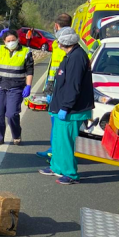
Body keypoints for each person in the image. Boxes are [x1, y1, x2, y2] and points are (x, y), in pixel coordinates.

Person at [39, 28, 94, 185]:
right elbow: (61, 80)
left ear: (65, 41)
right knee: (57, 140)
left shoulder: (77, 57)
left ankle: (70, 174)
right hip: (60, 106)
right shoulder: (69, 56)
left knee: (65, 142)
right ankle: (56, 166)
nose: (57, 43)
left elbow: (73, 86)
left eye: (59, 40)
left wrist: (66, 107)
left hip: (71, 110)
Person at [0, 29, 34, 145]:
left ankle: (16, 134)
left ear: (18, 39)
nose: (11, 42)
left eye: (13, 40)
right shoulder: (0, 49)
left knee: (12, 114)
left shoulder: (26, 52)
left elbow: (30, 70)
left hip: (16, 87)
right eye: (8, 40)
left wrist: (28, 85)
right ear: (4, 42)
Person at [37, 13, 73, 160]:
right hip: (55, 88)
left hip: (61, 89)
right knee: (56, 122)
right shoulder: (64, 42)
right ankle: (54, 149)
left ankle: (56, 153)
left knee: (58, 123)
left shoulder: (62, 43)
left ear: (56, 26)